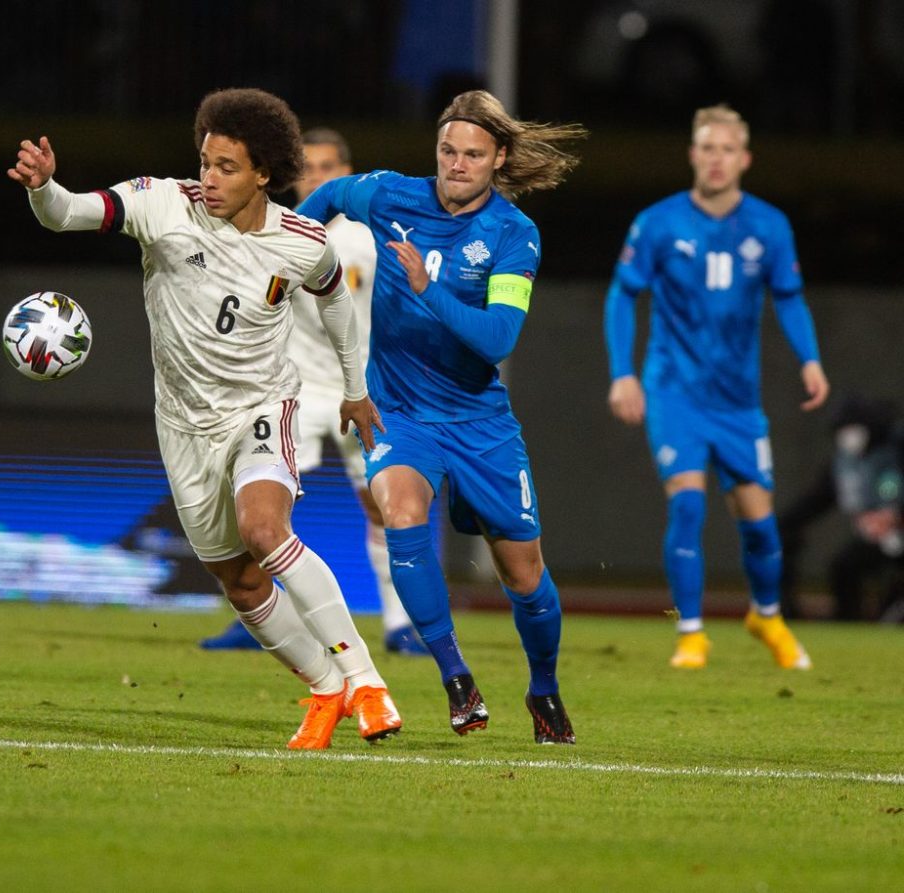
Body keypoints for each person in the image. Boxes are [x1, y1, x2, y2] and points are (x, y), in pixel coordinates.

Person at [6, 87, 401, 750]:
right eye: (204, 161)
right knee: (238, 580)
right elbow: (69, 213)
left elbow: (336, 301)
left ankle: (364, 679)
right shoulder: (162, 203)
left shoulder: (302, 242)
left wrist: (355, 389)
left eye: (225, 167)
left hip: (260, 406)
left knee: (263, 527)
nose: (207, 179)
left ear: (264, 175)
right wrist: (44, 187)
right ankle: (325, 688)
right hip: (184, 425)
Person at [298, 90, 586, 744]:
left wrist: (428, 294)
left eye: (473, 155)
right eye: (448, 151)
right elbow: (333, 196)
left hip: (479, 420)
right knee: (400, 512)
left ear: (499, 158)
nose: (457, 165)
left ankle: (543, 686)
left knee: (525, 574)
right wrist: (288, 246)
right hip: (400, 410)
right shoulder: (393, 195)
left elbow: (498, 339)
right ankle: (457, 679)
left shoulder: (513, 234)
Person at [604, 103, 829, 669]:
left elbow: (790, 297)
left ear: (745, 158)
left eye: (727, 149)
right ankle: (692, 634)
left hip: (737, 401)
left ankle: (767, 615)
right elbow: (622, 294)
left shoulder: (769, 225)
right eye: (707, 148)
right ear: (693, 155)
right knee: (686, 507)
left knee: (759, 525)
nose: (717, 159)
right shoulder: (658, 222)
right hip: (674, 391)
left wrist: (810, 359)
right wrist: (623, 372)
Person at [201, 127, 428, 656]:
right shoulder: (274, 233)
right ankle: (254, 615)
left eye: (328, 168)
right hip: (293, 390)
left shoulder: (374, 238)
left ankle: (400, 623)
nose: (317, 178)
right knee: (260, 506)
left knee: (383, 504)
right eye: (308, 168)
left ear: (347, 173)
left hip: (364, 389)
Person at [780, 394, 904, 622]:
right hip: (879, 540)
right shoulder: (846, 465)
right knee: (844, 568)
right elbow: (814, 502)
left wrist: (895, 516)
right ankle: (850, 621)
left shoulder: (896, 448)